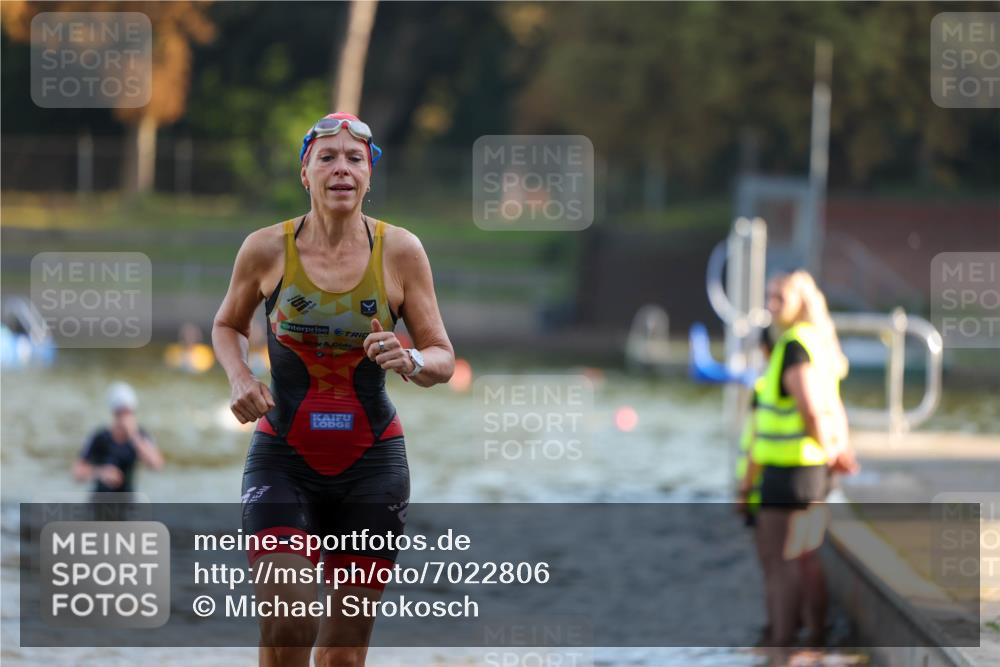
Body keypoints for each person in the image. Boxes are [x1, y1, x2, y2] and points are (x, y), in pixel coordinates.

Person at [212, 112, 454, 667]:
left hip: (372, 462)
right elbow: (226, 325)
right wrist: (242, 377)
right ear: (306, 173)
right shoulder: (266, 249)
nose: (341, 168)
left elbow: (442, 357)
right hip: (283, 457)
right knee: (290, 619)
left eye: (354, 159)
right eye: (327, 157)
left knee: (344, 655)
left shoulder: (402, 252)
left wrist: (410, 357)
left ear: (369, 175)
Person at [744, 270, 858, 650]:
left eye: (779, 298)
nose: (770, 304)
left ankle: (783, 645)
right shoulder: (818, 343)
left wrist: (828, 449)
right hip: (811, 470)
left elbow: (811, 408)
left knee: (782, 564)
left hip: (789, 471)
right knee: (806, 560)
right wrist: (837, 448)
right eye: (768, 296)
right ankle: (814, 640)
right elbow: (834, 405)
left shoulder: (793, 346)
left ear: (801, 303)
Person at [73, 382, 164, 494]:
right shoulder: (100, 437)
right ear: (114, 413)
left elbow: (157, 465)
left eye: (128, 412)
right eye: (120, 413)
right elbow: (77, 473)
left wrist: (134, 436)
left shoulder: (140, 436)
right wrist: (100, 472)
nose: (124, 417)